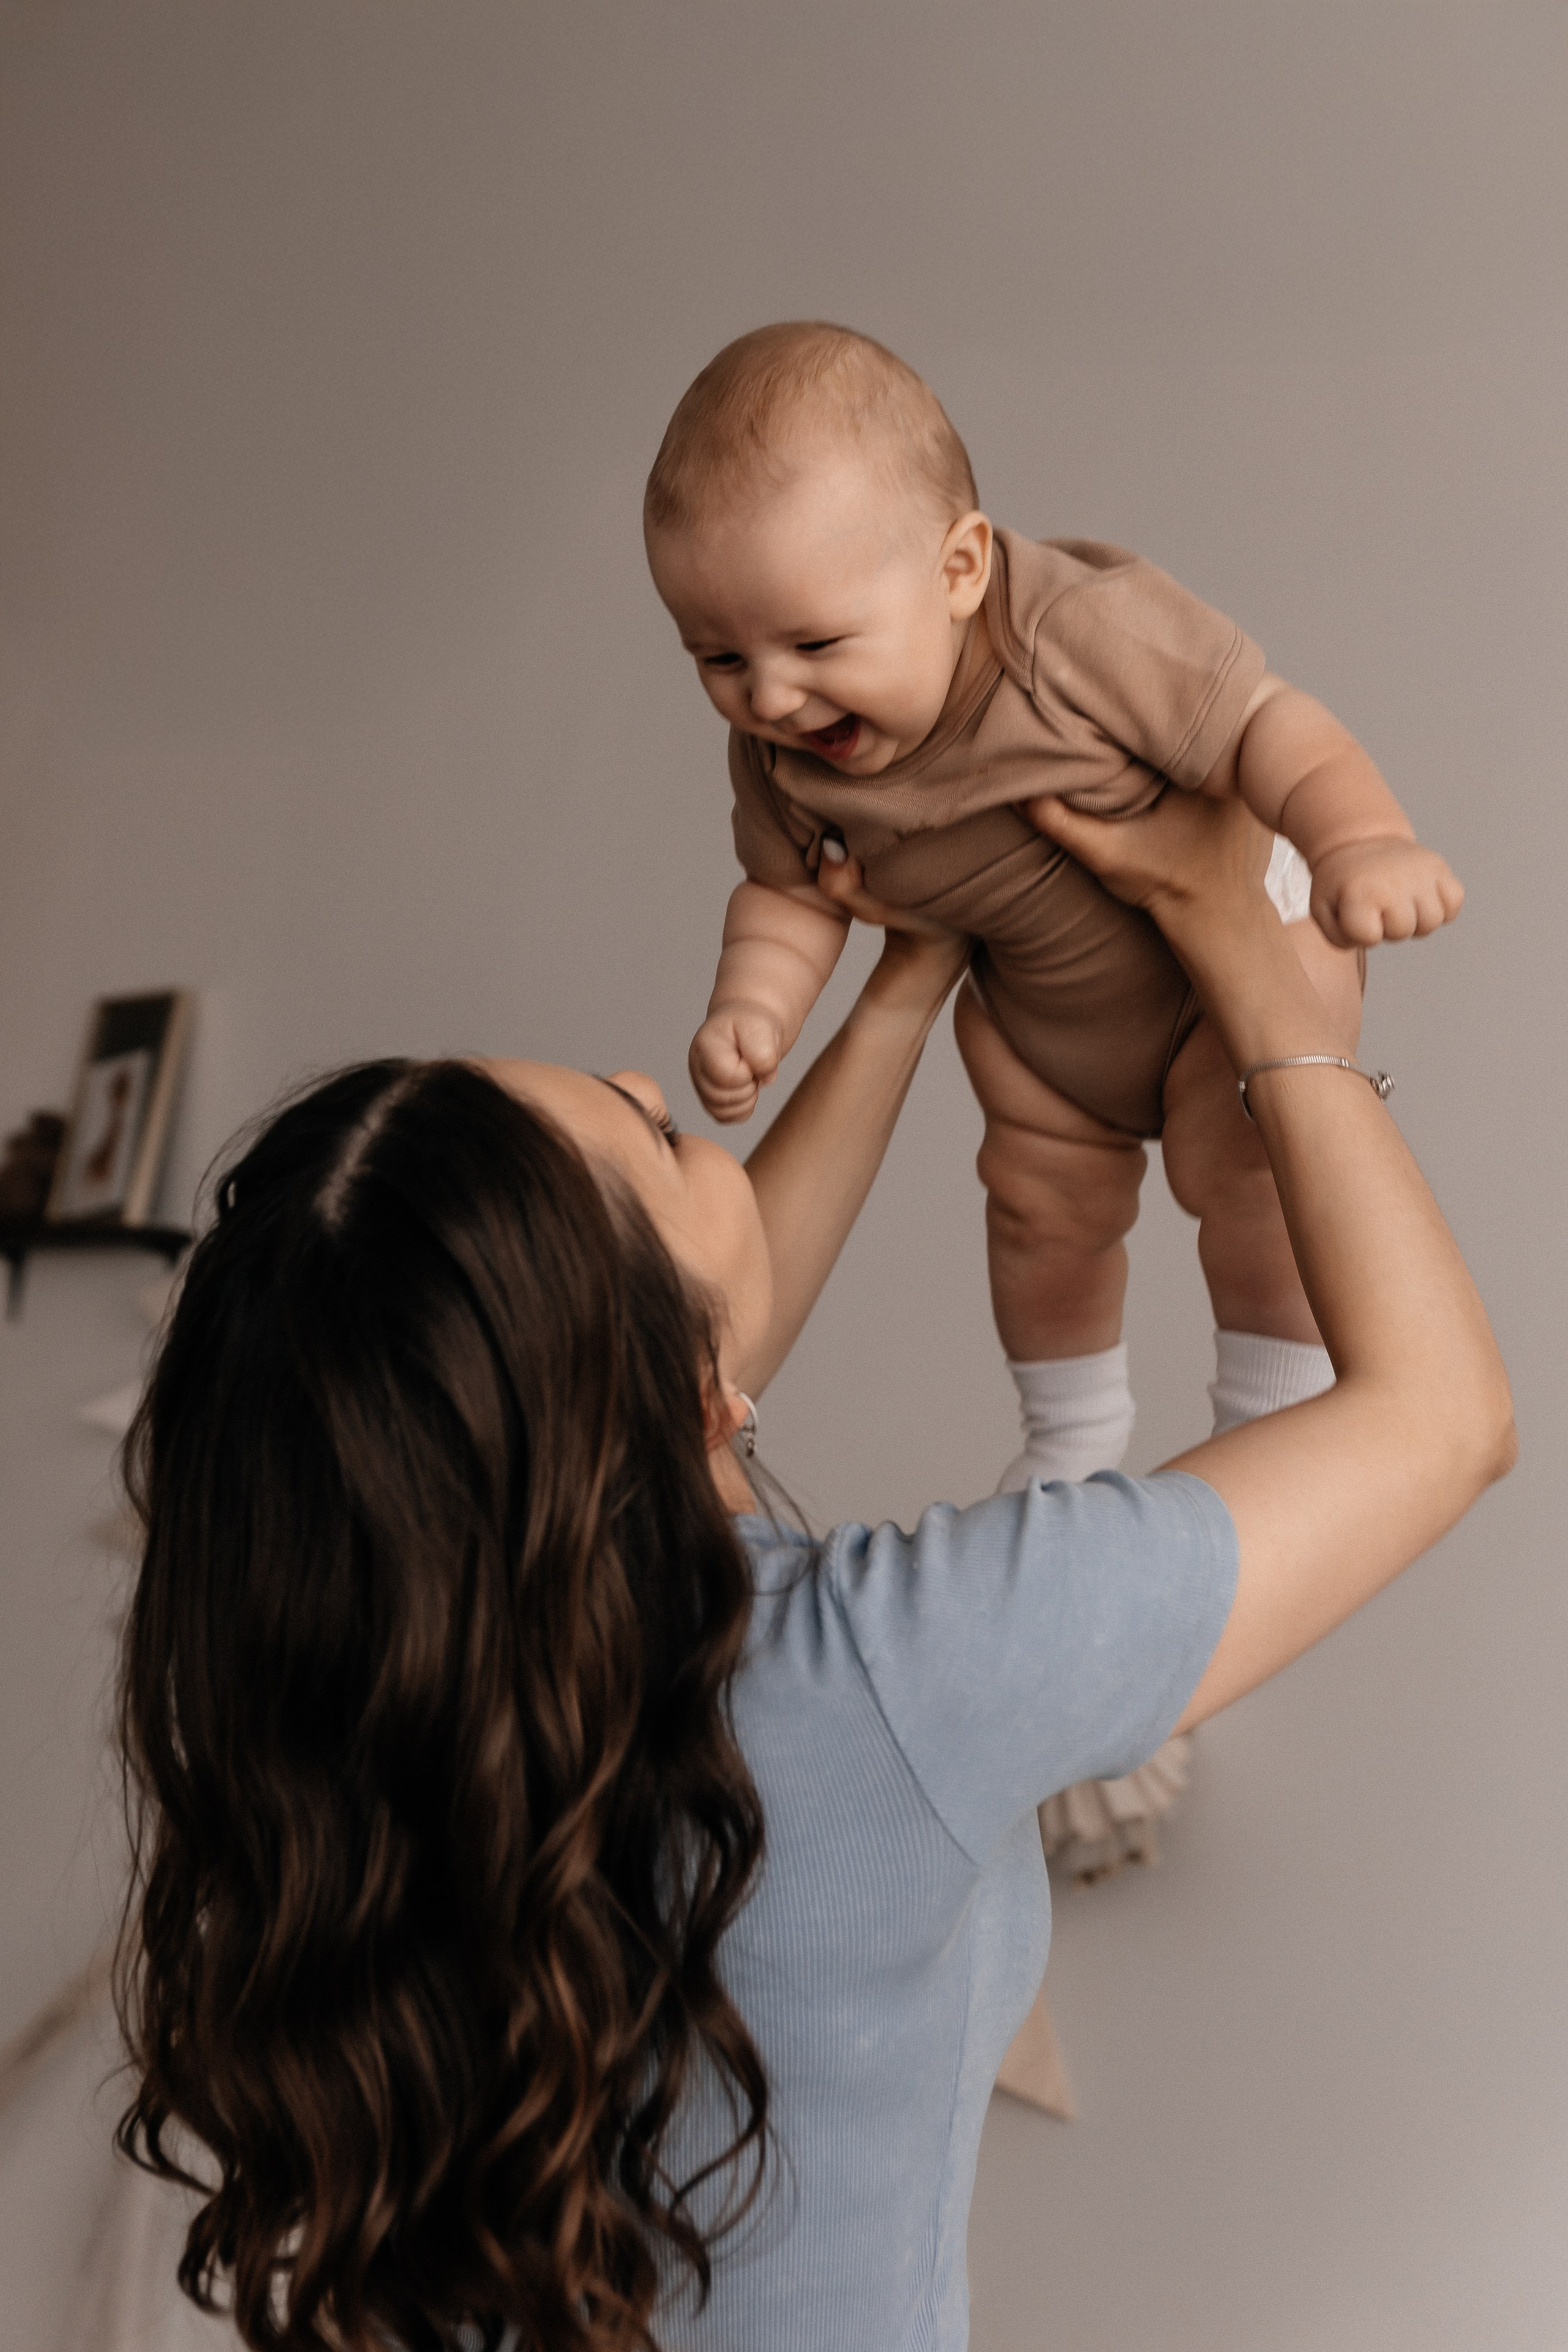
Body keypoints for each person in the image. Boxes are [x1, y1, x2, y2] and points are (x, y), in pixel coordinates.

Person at [113, 788, 1511, 2352]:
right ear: (663, 1382)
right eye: (653, 1138)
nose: (652, 1083)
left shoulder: (403, 1679)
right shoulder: (879, 1675)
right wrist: (1251, 966)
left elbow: (647, 1377)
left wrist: (909, 978)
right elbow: (1440, 1418)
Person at [644, 320, 1464, 1492]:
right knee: (1036, 1214)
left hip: (1230, 965)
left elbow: (1267, 723)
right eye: (718, 660)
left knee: (1253, 1172)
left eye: (815, 642)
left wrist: (1361, 840)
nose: (771, 696)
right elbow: (788, 894)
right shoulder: (784, 754)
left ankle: (1267, 1417)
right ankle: (1070, 1438)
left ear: (960, 570)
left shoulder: (1071, 632)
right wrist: (755, 1008)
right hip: (1040, 1022)